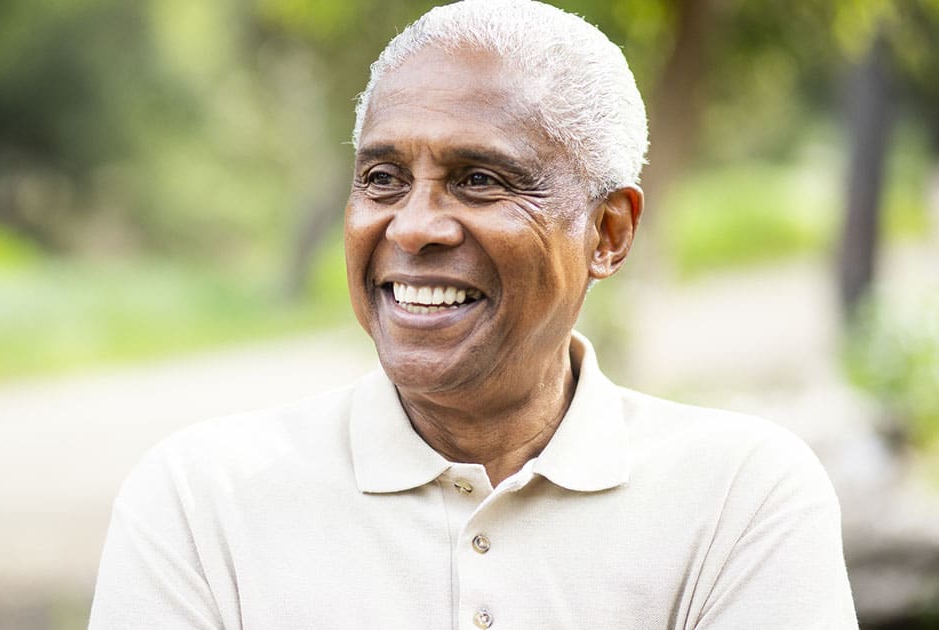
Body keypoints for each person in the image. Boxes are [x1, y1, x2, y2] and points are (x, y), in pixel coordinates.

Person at [89, 1, 858, 627]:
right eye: (384, 177)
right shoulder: (201, 501)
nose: (415, 226)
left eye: (481, 180)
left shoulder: (738, 497)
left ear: (610, 232)